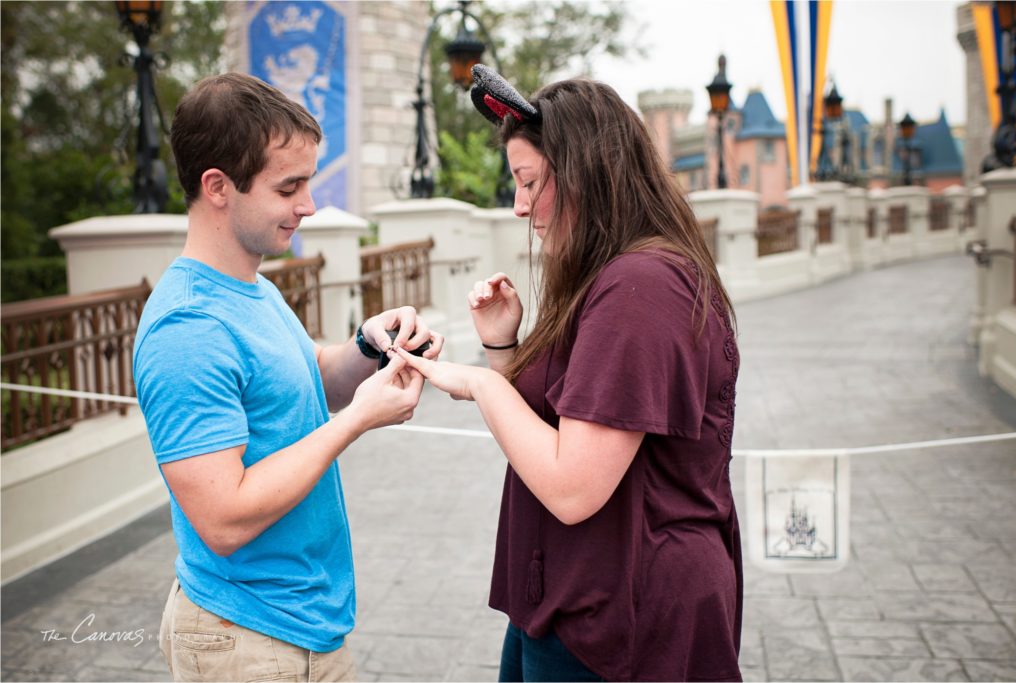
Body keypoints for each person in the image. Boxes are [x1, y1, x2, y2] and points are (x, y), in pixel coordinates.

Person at [396, 66, 743, 682]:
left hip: (626, 622)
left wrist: (481, 381)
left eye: (529, 182)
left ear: (587, 172)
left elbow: (573, 488)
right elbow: (552, 433)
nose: (519, 205)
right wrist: (504, 346)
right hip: (573, 602)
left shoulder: (640, 287)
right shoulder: (614, 278)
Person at [133, 72, 441, 682]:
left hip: (300, 627)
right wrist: (358, 419)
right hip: (248, 640)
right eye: (289, 186)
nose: (308, 205)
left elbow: (305, 380)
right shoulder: (187, 328)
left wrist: (368, 347)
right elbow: (223, 520)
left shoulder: (253, 286)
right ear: (217, 187)